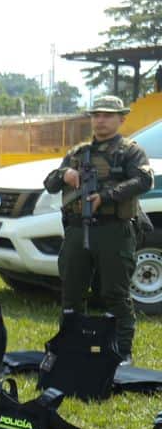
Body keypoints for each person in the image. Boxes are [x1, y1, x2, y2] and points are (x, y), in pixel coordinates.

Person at [44, 95, 153, 361]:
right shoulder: (78, 153)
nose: (100, 120)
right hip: (78, 230)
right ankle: (71, 346)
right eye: (96, 115)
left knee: (115, 294)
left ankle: (121, 352)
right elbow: (50, 183)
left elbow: (144, 179)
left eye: (107, 115)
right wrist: (64, 174)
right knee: (71, 292)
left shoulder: (130, 151)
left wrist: (107, 195)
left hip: (114, 231)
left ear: (121, 119)